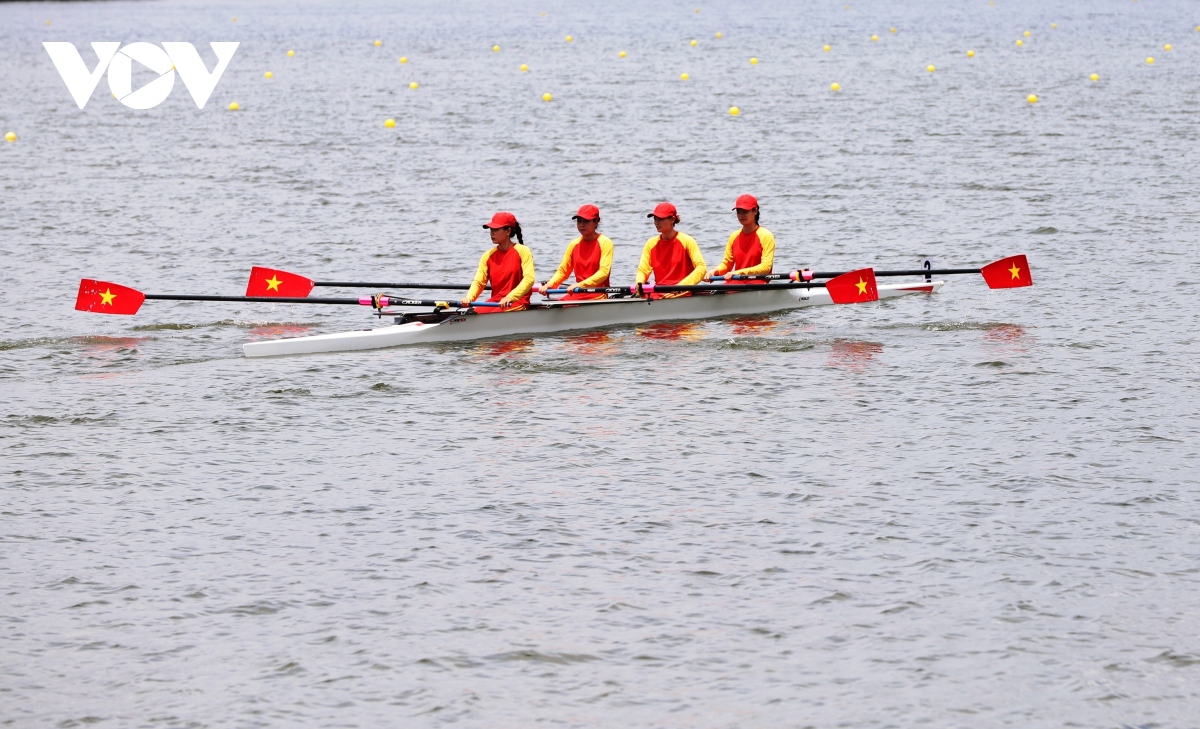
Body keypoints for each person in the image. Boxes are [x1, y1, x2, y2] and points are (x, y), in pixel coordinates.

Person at [461, 212, 536, 314]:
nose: (491, 233)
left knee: (492, 315)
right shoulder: (487, 256)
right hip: (496, 301)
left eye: (496, 229)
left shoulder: (523, 251)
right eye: (491, 229)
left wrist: (510, 297)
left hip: (517, 301)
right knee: (472, 313)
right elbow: (479, 282)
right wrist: (469, 298)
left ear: (508, 231)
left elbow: (529, 279)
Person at [538, 204, 613, 300]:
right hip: (577, 292)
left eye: (586, 221)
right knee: (550, 308)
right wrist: (549, 285)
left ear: (596, 222)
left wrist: (580, 285)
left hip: (597, 294)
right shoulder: (574, 244)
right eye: (579, 221)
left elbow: (603, 272)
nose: (581, 224)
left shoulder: (605, 242)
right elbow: (563, 271)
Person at [634, 202, 706, 299]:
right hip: (659, 291)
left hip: (681, 292)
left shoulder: (687, 241)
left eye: (660, 219)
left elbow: (701, 267)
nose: (656, 222)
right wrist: (639, 282)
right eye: (655, 219)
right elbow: (643, 269)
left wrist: (683, 286)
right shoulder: (650, 243)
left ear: (672, 219)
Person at [708, 194, 775, 285]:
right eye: (739, 212)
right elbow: (727, 264)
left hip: (758, 282)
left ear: (755, 211)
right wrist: (715, 271)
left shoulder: (766, 235)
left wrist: (739, 272)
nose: (741, 215)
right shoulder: (734, 236)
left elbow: (765, 267)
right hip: (737, 281)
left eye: (745, 212)